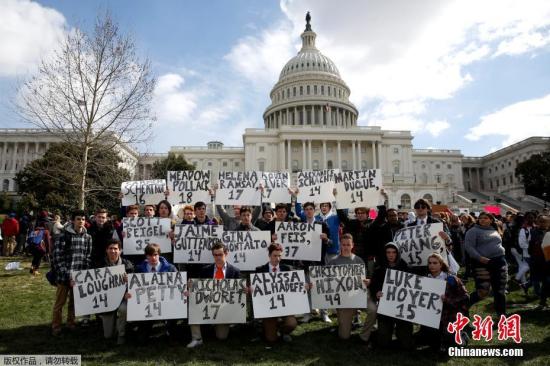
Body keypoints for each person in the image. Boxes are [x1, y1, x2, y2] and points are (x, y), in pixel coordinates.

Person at [187, 241, 242, 348]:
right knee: (192, 305)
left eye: (220, 254)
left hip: (224, 307)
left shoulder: (235, 271)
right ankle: (197, 338)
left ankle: (213, 326)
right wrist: (191, 287)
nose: (217, 257)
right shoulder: (205, 270)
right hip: (206, 304)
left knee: (222, 337)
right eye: (215, 255)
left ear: (226, 254)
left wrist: (244, 290)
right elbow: (199, 288)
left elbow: (238, 292)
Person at [51, 210, 93, 336]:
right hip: (64, 277)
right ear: (73, 220)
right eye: (78, 219)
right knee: (60, 303)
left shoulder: (88, 237)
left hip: (79, 277)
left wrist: (84, 275)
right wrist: (67, 275)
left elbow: (87, 257)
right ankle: (56, 326)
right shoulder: (63, 236)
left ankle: (71, 323)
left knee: (74, 303)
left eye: (83, 219)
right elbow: (57, 258)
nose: (81, 221)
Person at [324, 234, 372, 340]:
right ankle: (347, 321)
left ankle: (364, 335)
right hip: (344, 300)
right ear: (340, 245)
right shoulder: (333, 262)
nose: (346, 247)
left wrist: (367, 281)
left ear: (352, 245)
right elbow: (325, 281)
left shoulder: (359, 260)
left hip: (359, 296)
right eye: (343, 245)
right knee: (344, 336)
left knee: (373, 309)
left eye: (348, 245)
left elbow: (365, 279)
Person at [464, 212, 508, 317]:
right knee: (483, 291)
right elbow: (469, 247)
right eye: (480, 218)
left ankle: (501, 315)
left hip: (499, 261)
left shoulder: (495, 230)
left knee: (499, 291)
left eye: (485, 218)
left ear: (491, 220)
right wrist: (481, 258)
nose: (482, 220)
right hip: (482, 263)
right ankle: (463, 306)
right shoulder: (473, 231)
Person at [370, 242, 413, 350]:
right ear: (384, 253)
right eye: (388, 252)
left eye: (394, 252)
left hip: (401, 306)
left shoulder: (404, 266)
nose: (391, 255)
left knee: (406, 344)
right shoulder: (379, 266)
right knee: (383, 343)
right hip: (385, 306)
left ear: (397, 253)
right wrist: (377, 292)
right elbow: (374, 284)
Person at [423, 253, 469, 351]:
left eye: (435, 263)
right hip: (432, 315)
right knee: (432, 344)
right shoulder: (425, 279)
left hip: (450, 315)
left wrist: (447, 300)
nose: (432, 265)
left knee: (453, 345)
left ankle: (461, 335)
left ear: (441, 264)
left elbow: (465, 297)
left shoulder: (451, 279)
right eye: (430, 263)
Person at [134, 243, 178, 343]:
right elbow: (134, 288)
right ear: (146, 256)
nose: (153, 258)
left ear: (159, 255)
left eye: (155, 255)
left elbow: (178, 286)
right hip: (146, 305)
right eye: (150, 255)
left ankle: (170, 330)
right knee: (141, 340)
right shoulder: (138, 269)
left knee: (173, 340)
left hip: (167, 303)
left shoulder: (171, 268)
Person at [255, 243, 298, 343]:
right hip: (268, 308)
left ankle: (283, 332)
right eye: (275, 255)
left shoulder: (288, 269)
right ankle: (271, 328)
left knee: (292, 324)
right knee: (271, 339)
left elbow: (297, 284)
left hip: (285, 306)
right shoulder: (260, 270)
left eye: (279, 256)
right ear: (269, 255)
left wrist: (304, 286)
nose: (277, 259)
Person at [99, 239, 134, 345]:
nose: (113, 251)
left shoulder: (128, 265)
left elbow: (135, 284)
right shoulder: (99, 264)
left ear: (120, 251)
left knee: (124, 309)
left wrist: (129, 282)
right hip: (107, 300)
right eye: (110, 248)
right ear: (106, 250)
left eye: (115, 249)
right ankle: (113, 328)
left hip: (122, 298)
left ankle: (121, 334)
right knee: (108, 336)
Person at [529, 215, 550, 308]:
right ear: (537, 222)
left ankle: (542, 299)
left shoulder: (548, 233)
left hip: (547, 261)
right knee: (540, 280)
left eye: (545, 221)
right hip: (538, 260)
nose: (542, 223)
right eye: (540, 221)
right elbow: (531, 247)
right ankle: (540, 297)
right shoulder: (533, 232)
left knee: (546, 281)